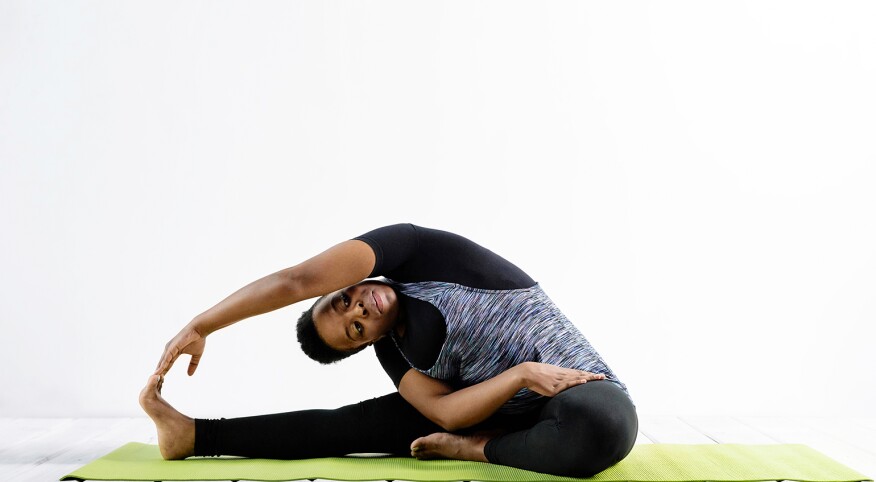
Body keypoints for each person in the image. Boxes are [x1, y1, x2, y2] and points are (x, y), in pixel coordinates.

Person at [142, 223, 638, 477]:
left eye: (343, 300)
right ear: (368, 343)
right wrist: (518, 375)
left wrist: (202, 323)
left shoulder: (419, 253)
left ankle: (476, 453)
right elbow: (444, 412)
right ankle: (191, 435)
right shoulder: (394, 352)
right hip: (491, 412)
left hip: (573, 394)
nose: (361, 309)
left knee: (607, 428)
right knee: (343, 428)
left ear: (345, 283)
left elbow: (297, 280)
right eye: (356, 328)